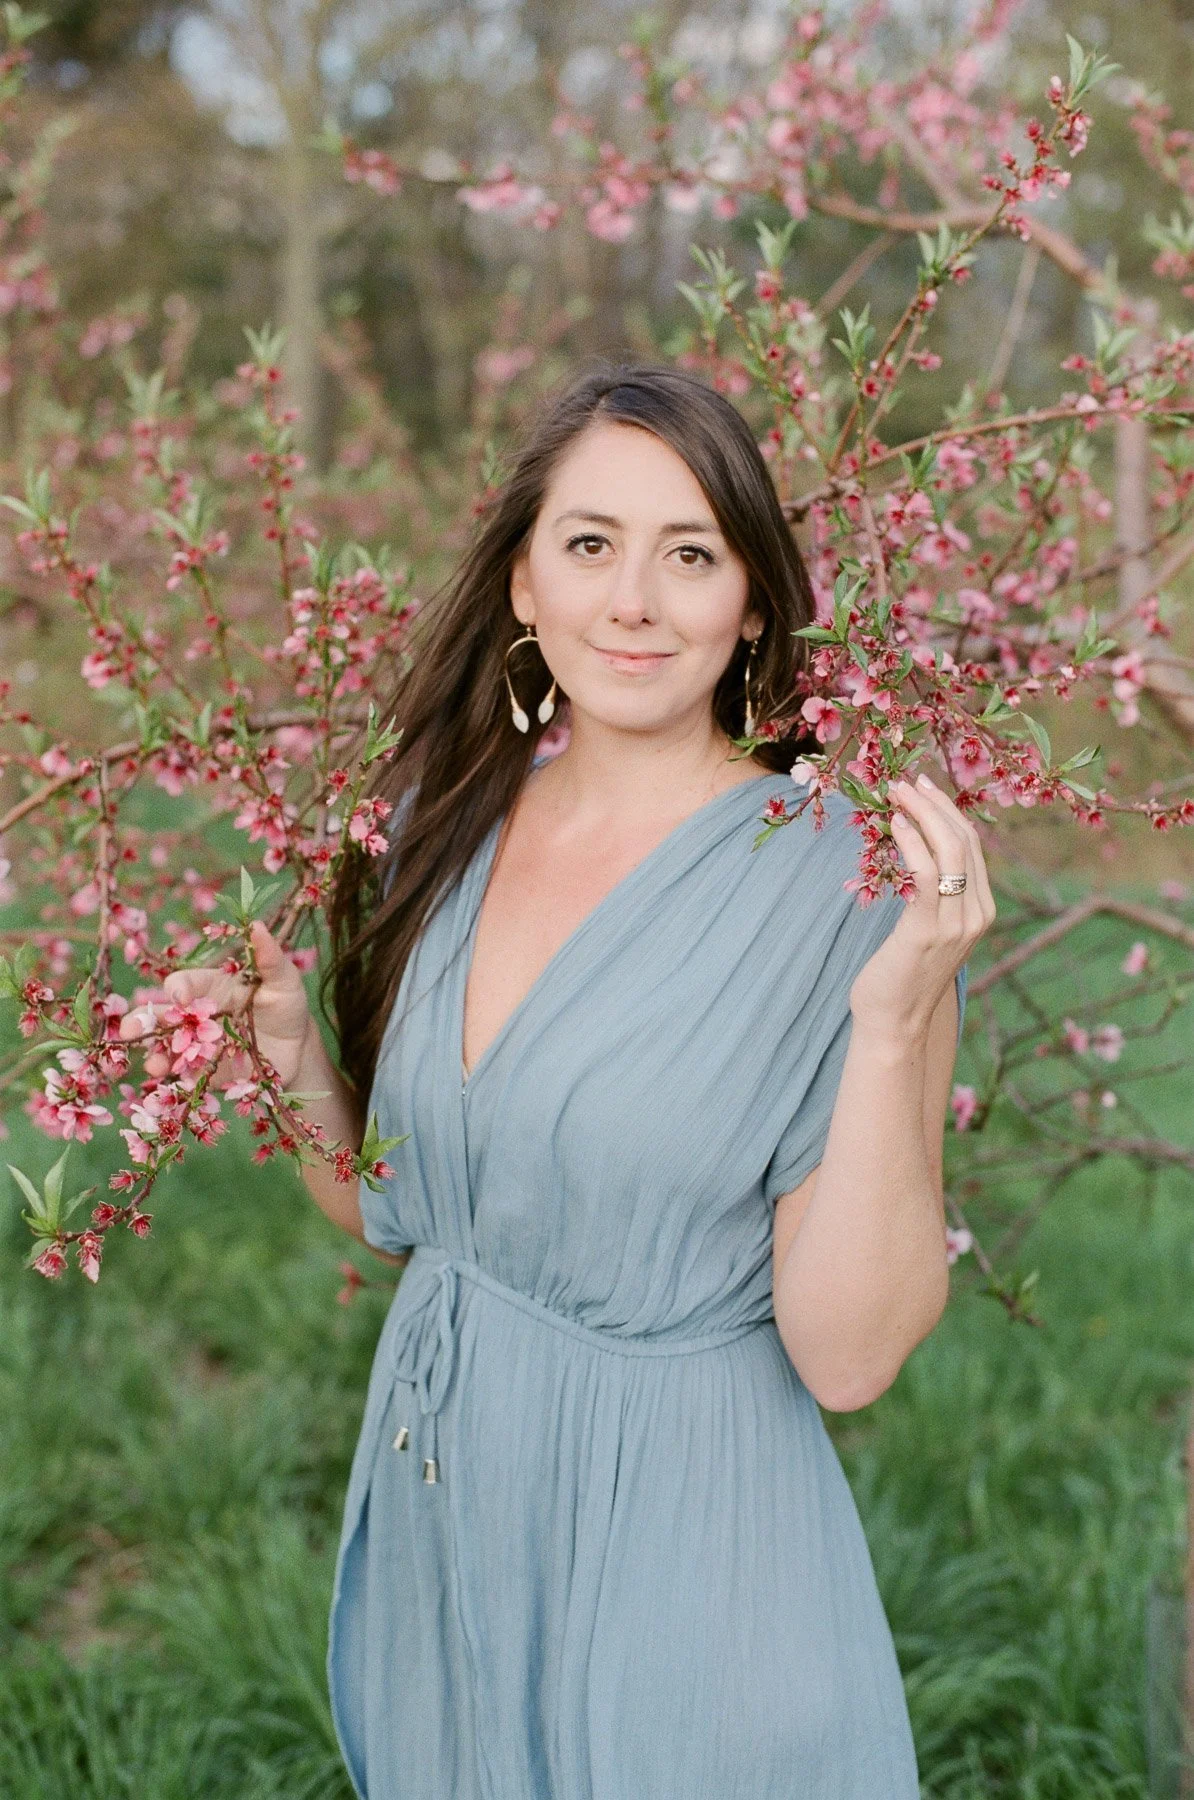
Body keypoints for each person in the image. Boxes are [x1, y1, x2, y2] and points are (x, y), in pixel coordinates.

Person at [122, 361, 995, 1797]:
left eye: (690, 554)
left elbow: (849, 1358)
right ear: (524, 581)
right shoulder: (442, 824)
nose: (632, 601)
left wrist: (896, 1027)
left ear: (753, 602)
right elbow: (413, 1222)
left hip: (684, 1557)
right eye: (591, 544)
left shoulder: (844, 889)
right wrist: (292, 1057)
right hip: (448, 1508)